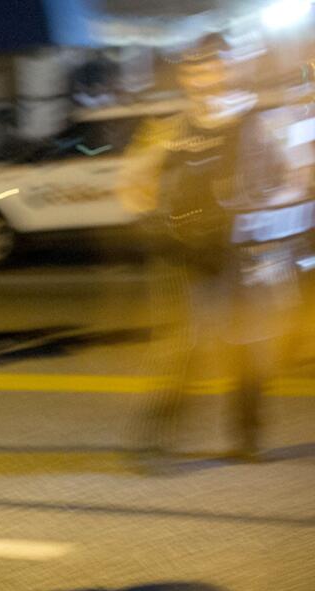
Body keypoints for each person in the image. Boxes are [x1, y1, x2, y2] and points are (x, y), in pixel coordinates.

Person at [118, 33, 313, 466]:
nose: (203, 77)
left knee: (248, 345)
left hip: (243, 250)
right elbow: (132, 183)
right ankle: (154, 440)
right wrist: (152, 220)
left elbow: (295, 181)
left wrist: (258, 212)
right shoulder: (166, 128)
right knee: (182, 344)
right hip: (182, 253)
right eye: (194, 69)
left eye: (213, 66)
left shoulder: (261, 121)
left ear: (233, 68)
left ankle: (247, 437)